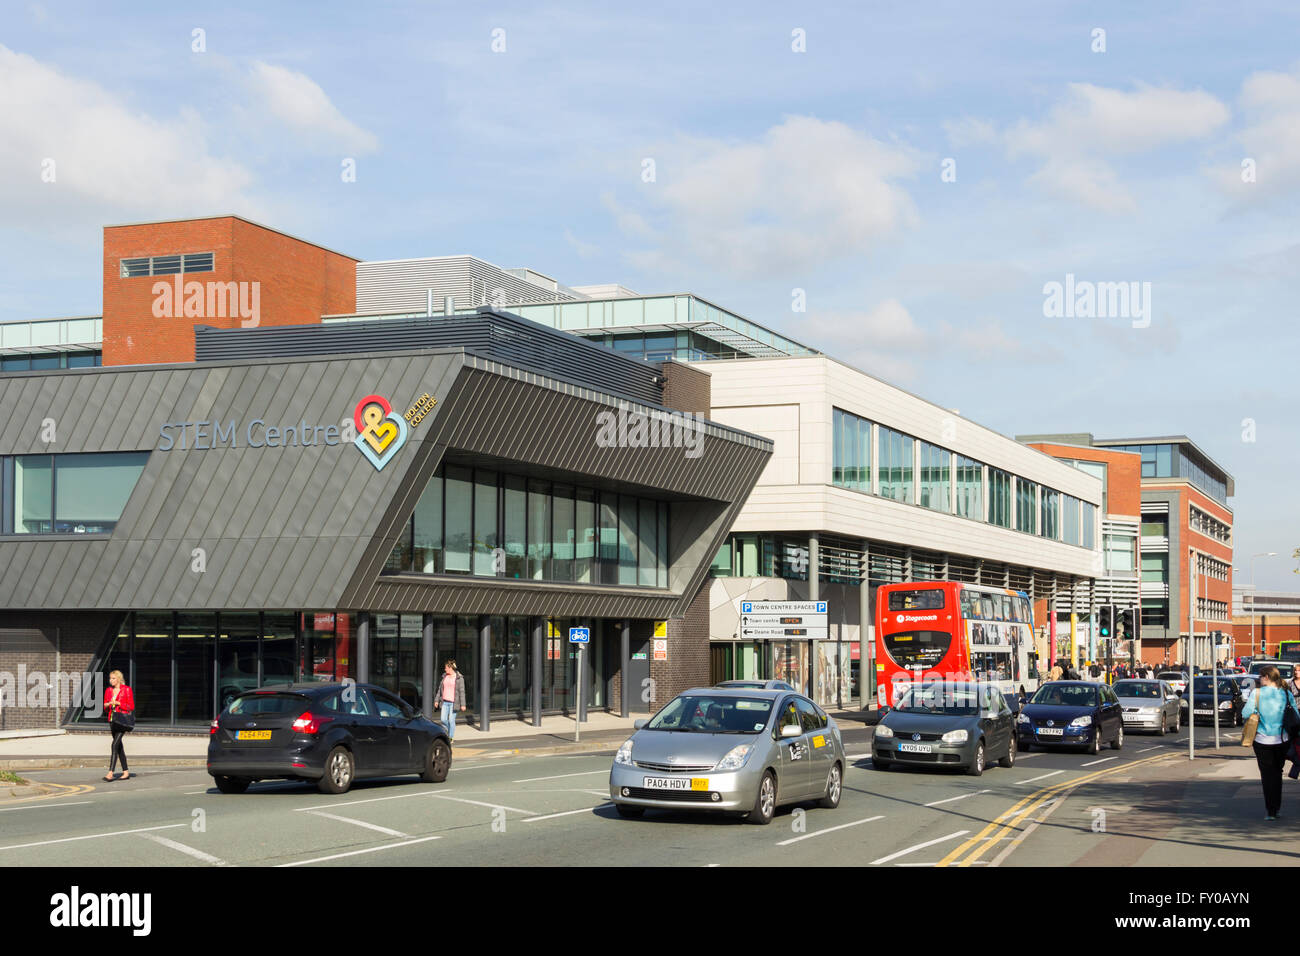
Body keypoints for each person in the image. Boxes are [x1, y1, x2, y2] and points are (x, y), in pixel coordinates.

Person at [1242, 665, 1300, 820]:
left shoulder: (1257, 693)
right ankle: (1277, 807)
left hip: (1261, 740)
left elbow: (1245, 713)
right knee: (1277, 773)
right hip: (1282, 740)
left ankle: (1270, 811)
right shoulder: (1287, 694)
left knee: (1267, 775)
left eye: (1261, 677)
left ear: (1266, 677)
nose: (1259, 680)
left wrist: (1256, 712)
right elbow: (1296, 716)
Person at [103, 669, 134, 781]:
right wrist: (108, 704)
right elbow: (105, 706)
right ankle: (125, 772)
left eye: (113, 678)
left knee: (114, 745)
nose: (111, 680)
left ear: (119, 679)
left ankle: (110, 772)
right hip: (112, 720)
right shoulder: (108, 690)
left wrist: (118, 703)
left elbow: (131, 706)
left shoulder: (127, 690)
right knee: (119, 746)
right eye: (110, 678)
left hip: (122, 721)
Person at [434, 659, 467, 742]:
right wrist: (436, 700)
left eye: (446, 668)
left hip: (453, 703)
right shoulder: (444, 676)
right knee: (443, 720)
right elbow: (439, 690)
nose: (445, 669)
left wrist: (463, 704)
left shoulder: (459, 678)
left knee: (451, 720)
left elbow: (462, 692)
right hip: (444, 702)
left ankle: (450, 737)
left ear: (450, 668)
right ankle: (448, 733)